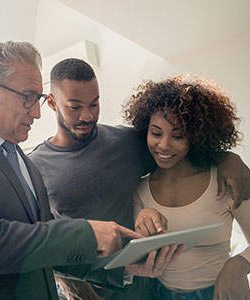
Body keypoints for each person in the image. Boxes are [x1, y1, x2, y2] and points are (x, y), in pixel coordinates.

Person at [0, 41, 171, 300]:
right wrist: (87, 233)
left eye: (37, 99)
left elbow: (45, 252)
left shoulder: (26, 164)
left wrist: (120, 268)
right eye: (27, 98)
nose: (37, 113)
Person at [28, 58, 250, 300]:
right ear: (51, 102)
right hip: (89, 290)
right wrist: (75, 288)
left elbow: (180, 148)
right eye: (75, 107)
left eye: (94, 104)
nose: (87, 116)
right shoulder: (34, 167)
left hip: (146, 286)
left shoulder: (127, 142)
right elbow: (44, 241)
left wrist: (228, 158)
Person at [123, 75, 250, 300]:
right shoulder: (139, 189)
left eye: (178, 135)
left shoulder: (225, 181)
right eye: (156, 133)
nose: (163, 145)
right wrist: (142, 219)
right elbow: (138, 258)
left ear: (196, 137)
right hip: (156, 294)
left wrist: (239, 263)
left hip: (218, 293)